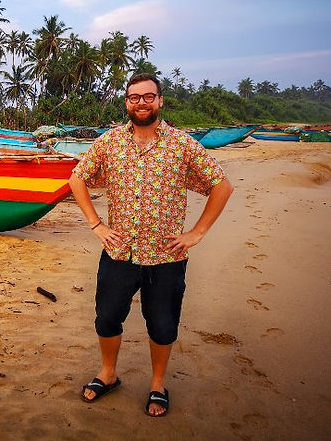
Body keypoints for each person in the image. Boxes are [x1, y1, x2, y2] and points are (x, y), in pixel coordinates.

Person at [68, 72, 234, 416]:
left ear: (159, 101)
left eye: (147, 96)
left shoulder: (183, 144)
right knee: (107, 319)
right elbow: (77, 178)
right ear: (126, 103)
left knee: (162, 324)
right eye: (133, 97)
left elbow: (222, 186)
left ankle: (158, 384)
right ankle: (108, 374)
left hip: (166, 256)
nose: (140, 102)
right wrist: (97, 224)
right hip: (118, 252)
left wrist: (196, 233)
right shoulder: (110, 142)